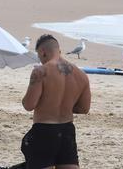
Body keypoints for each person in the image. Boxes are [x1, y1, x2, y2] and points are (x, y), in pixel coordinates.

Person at [21, 34, 91, 169]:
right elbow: (84, 109)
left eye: (39, 56)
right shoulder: (81, 75)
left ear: (43, 52)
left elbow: (29, 105)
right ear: (59, 51)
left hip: (44, 131)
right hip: (67, 131)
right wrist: (66, 104)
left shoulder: (40, 71)